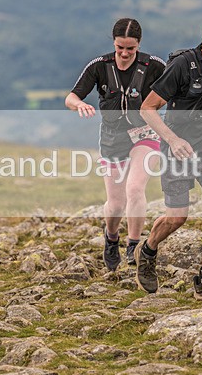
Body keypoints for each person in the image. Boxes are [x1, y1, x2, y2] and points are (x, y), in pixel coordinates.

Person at [135, 15, 202, 300]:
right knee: (177, 216)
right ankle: (147, 250)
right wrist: (172, 139)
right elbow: (147, 108)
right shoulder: (182, 66)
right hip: (178, 148)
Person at [65, 18, 166, 271]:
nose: (125, 53)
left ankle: (134, 245)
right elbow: (71, 97)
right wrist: (79, 104)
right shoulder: (99, 66)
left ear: (139, 45)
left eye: (131, 48)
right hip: (112, 137)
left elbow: (176, 89)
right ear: (114, 43)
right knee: (116, 204)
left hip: (145, 133)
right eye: (120, 47)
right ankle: (111, 238)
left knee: (135, 188)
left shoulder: (154, 65)